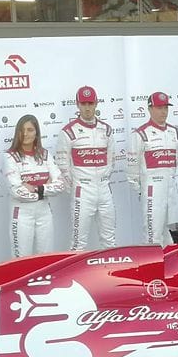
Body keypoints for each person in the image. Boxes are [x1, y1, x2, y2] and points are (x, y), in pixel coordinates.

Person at [55, 86, 116, 251]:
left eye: (90, 103)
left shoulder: (106, 130)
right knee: (78, 243)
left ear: (96, 103)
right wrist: (75, 186)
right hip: (82, 191)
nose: (87, 108)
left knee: (109, 240)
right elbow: (62, 164)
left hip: (104, 189)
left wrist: (103, 178)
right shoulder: (68, 132)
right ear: (77, 104)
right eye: (83, 104)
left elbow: (111, 159)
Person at [6, 114, 65, 257]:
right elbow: (17, 192)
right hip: (22, 213)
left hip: (44, 211)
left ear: (36, 132)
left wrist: (37, 188)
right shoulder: (10, 157)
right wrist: (46, 188)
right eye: (22, 130)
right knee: (21, 260)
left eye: (30, 130)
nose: (25, 134)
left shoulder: (45, 155)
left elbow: (61, 184)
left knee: (46, 257)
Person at [129, 91, 178, 245]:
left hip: (171, 189)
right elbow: (132, 168)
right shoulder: (140, 134)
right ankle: (153, 261)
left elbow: (176, 159)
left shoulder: (175, 132)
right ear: (150, 109)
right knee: (153, 236)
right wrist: (142, 190)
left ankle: (171, 261)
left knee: (173, 234)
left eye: (166, 107)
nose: (163, 112)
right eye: (159, 108)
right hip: (152, 190)